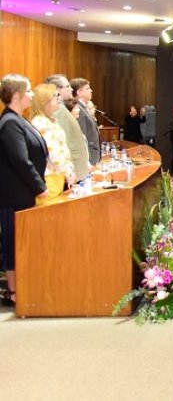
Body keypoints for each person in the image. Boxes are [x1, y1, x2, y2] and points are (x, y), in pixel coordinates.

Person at [0, 74, 49, 306]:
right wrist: (40, 188)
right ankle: (13, 290)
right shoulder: (10, 122)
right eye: (28, 91)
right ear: (17, 95)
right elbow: (20, 160)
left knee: (20, 241)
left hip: (23, 194)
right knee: (12, 241)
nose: (32, 95)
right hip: (14, 195)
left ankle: (23, 285)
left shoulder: (19, 119)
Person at [29, 84, 76, 201]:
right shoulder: (41, 123)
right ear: (45, 101)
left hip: (57, 175)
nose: (59, 98)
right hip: (50, 177)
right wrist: (68, 172)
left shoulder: (49, 120)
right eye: (56, 96)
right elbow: (53, 152)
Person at [45, 75, 89, 181]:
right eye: (67, 86)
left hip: (76, 165)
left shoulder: (62, 107)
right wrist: (68, 170)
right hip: (71, 168)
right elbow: (62, 142)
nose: (71, 89)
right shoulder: (57, 109)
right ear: (58, 90)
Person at [70, 77, 100, 165]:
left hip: (92, 155)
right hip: (88, 157)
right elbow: (81, 136)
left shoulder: (84, 108)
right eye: (87, 88)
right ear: (79, 92)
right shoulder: (78, 109)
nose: (91, 90)